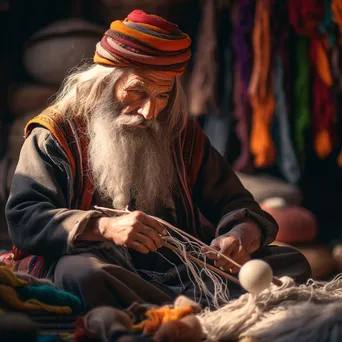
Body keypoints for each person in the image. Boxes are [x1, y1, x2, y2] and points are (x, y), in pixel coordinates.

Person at [6, 10, 311, 310]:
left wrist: (243, 234)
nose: (150, 111)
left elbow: (236, 202)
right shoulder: (55, 134)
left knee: (290, 262)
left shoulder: (179, 131)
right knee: (80, 275)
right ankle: (196, 309)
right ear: (103, 84)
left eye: (163, 96)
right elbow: (25, 218)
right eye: (137, 92)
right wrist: (103, 227)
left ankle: (174, 308)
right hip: (103, 267)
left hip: (180, 272)